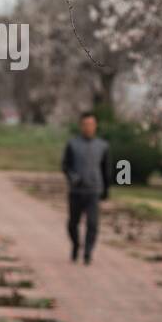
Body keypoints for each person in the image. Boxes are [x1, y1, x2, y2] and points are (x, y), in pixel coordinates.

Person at [60, 111, 111, 264]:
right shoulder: (72, 144)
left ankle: (88, 252)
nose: (88, 127)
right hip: (76, 191)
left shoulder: (103, 146)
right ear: (81, 126)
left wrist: (106, 189)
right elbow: (65, 166)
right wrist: (73, 178)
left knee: (93, 224)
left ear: (95, 126)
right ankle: (76, 245)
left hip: (94, 190)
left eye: (91, 124)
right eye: (85, 124)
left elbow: (106, 169)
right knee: (72, 223)